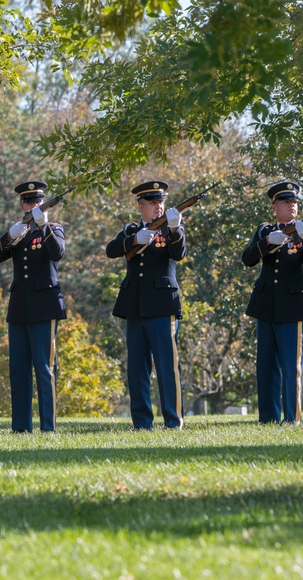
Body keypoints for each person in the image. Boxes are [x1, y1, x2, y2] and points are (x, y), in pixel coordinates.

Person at [0, 181, 67, 433]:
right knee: (18, 370)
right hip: (19, 308)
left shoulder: (53, 228)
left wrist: (42, 225)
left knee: (44, 369)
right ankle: (20, 427)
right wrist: (8, 237)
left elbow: (57, 253)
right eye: (29, 202)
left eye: (38, 201)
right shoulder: (19, 234)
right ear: (22, 205)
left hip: (45, 306)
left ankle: (48, 427)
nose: (33, 205)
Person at [105, 181, 186, 430]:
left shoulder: (172, 229)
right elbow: (111, 250)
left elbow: (179, 253)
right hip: (135, 306)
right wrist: (134, 240)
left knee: (167, 367)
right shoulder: (131, 229)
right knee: (137, 368)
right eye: (152, 203)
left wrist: (175, 229)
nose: (158, 207)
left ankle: (173, 421)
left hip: (163, 305)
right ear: (140, 206)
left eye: (160, 202)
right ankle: (141, 422)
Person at [241, 181, 303, 424]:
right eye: (286, 202)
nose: (292, 205)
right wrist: (267, 243)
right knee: (266, 366)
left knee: (291, 366)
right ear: (274, 206)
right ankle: (268, 418)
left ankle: (292, 417)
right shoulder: (265, 230)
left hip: (293, 305)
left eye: (294, 202)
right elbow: (248, 259)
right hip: (266, 304)